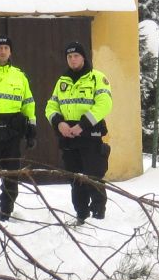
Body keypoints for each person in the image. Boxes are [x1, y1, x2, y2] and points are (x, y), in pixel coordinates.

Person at [45, 40, 112, 224]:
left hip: (90, 135)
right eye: (69, 57)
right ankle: (81, 215)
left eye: (76, 56)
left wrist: (82, 125)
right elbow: (51, 107)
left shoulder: (97, 78)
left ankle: (99, 216)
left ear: (83, 57)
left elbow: (105, 104)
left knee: (93, 176)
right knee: (75, 179)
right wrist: (59, 124)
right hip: (69, 138)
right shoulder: (62, 81)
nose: (73, 60)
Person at [0, 35, 36, 221]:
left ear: (10, 51)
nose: (2, 51)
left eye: (6, 48)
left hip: (12, 132)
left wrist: (32, 130)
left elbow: (28, 103)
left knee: (11, 175)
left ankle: (6, 212)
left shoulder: (20, 76)